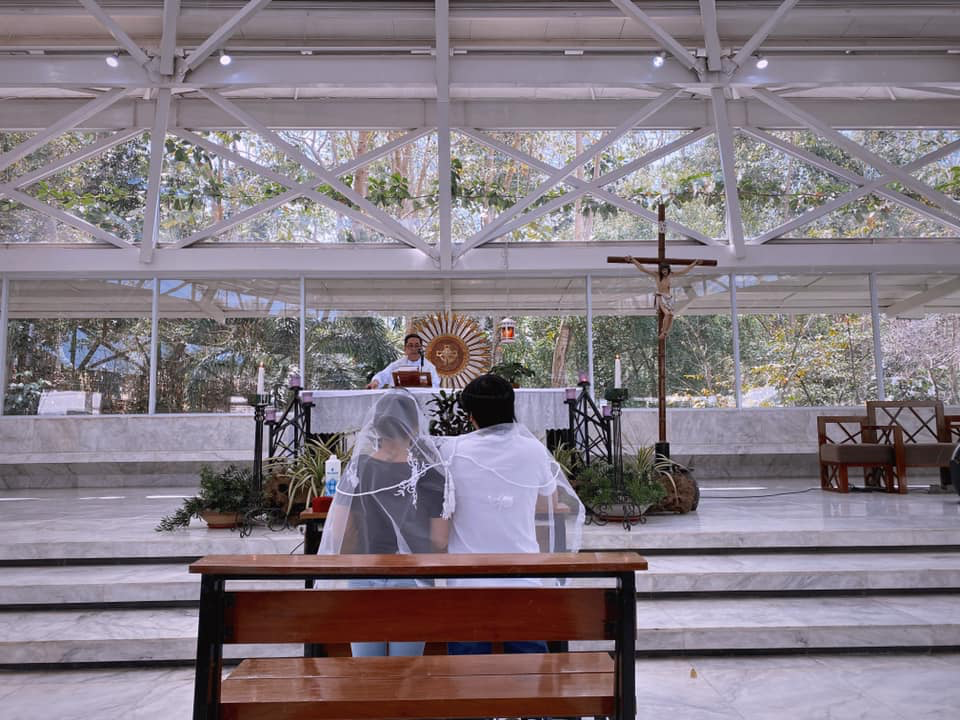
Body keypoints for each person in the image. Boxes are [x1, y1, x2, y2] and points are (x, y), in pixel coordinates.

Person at [439, 373, 585, 655]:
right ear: (510, 410)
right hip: (522, 578)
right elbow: (547, 505)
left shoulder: (452, 450)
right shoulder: (534, 450)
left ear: (471, 416)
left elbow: (443, 508)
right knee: (529, 669)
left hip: (467, 580)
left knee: (467, 670)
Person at [319, 389, 449, 657]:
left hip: (364, 573)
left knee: (366, 664)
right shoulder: (430, 472)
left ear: (376, 425)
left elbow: (338, 529)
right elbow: (440, 539)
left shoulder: (359, 468)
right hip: (413, 578)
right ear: (415, 426)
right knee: (407, 665)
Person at [626, 256, 702, 339]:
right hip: (661, 296)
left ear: (668, 269)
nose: (664, 272)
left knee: (672, 315)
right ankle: (663, 332)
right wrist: (633, 260)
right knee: (667, 314)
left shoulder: (670, 275)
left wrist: (694, 263)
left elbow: (684, 271)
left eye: (665, 270)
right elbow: (643, 269)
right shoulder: (656, 275)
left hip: (669, 297)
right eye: (663, 270)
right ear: (660, 270)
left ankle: (666, 333)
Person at [366, 333, 440, 389]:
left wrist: (422, 384)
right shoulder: (397, 365)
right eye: (410, 345)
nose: (414, 349)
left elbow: (435, 386)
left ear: (421, 348)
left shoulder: (429, 367)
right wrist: (375, 382)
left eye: (417, 345)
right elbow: (383, 375)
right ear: (405, 348)